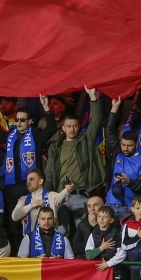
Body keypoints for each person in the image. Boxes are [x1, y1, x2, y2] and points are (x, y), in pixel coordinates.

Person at [45, 87, 104, 233]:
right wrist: (46, 196)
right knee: (61, 233)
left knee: (84, 232)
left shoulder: (86, 140)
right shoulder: (55, 147)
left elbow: (96, 121)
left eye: (75, 126)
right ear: (63, 128)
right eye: (69, 126)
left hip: (81, 194)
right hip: (60, 196)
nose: (72, 129)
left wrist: (93, 99)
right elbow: (49, 173)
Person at [105, 100, 141, 219]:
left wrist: (129, 182)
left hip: (127, 209)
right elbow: (109, 131)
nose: (125, 148)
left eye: (129, 145)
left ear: (136, 144)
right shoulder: (117, 153)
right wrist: (114, 109)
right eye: (123, 144)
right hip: (109, 205)